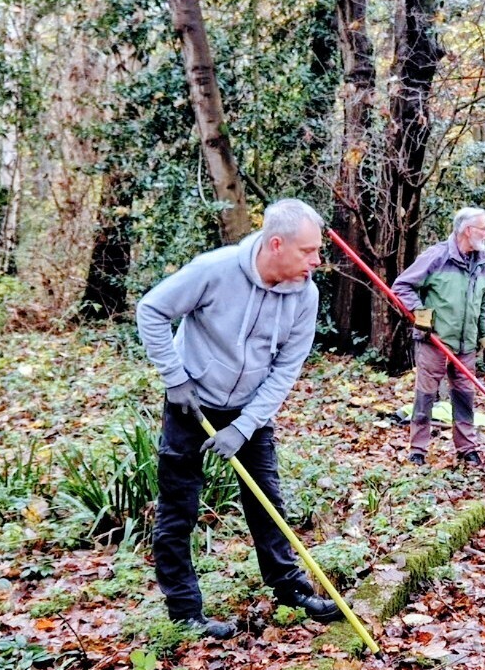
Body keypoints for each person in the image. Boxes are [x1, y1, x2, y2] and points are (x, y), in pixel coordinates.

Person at [136, 199, 342, 640]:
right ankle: (185, 614)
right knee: (179, 508)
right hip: (190, 402)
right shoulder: (216, 269)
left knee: (267, 502)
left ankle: (291, 591)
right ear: (276, 244)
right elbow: (151, 310)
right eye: (308, 251)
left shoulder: (305, 295)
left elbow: (286, 369)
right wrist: (175, 379)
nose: (316, 261)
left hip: (251, 407)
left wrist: (244, 427)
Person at [392, 208, 485, 466]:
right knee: (426, 396)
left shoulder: (483, 262)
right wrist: (421, 315)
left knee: (464, 397)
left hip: (466, 344)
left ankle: (467, 448)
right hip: (435, 341)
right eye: (483, 228)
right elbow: (402, 286)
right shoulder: (437, 257)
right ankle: (418, 450)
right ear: (467, 230)